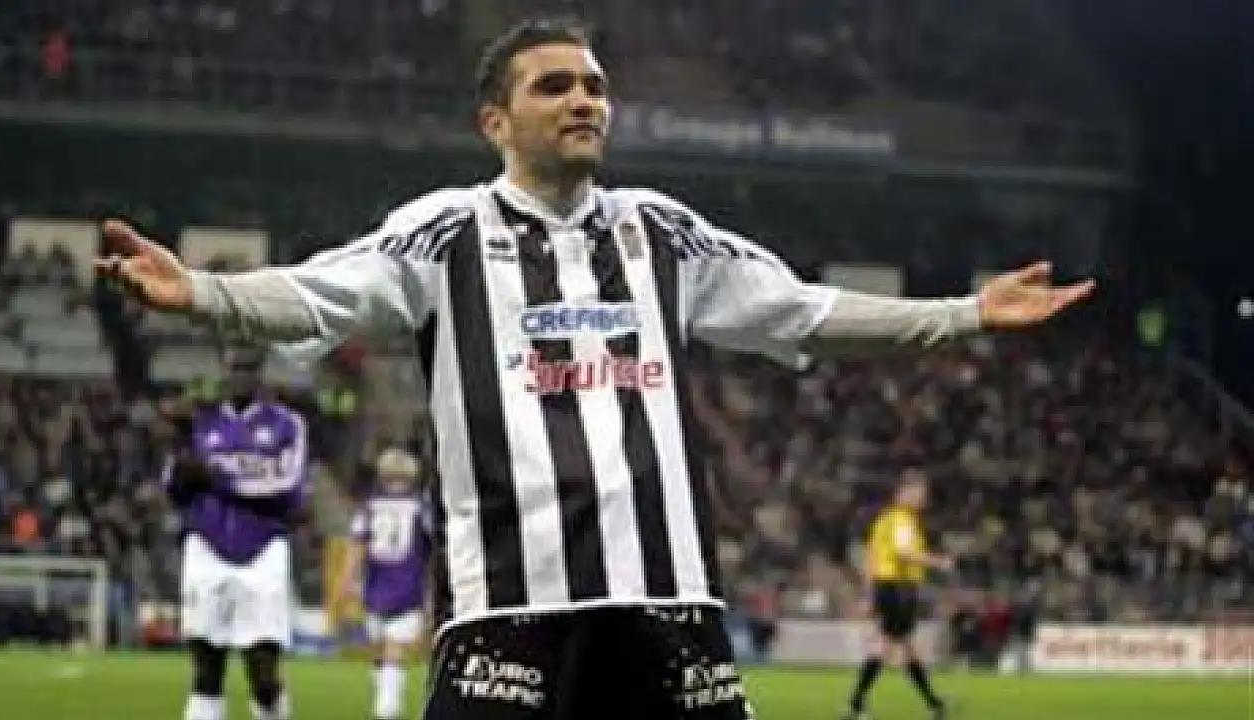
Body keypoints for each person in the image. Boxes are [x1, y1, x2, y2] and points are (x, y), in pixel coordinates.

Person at [96, 17, 1094, 719]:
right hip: (509, 613)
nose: (584, 99)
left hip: (667, 607)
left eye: (595, 86)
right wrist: (206, 294)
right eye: (555, 85)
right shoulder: (444, 233)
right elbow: (322, 294)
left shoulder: (662, 232)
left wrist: (962, 314)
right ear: (495, 121)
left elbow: (803, 312)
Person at [163, 346, 308, 720]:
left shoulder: (287, 424)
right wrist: (179, 450)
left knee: (263, 672)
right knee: (206, 668)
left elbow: (288, 488)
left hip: (263, 549)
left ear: (261, 373)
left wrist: (216, 478)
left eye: (248, 367)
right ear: (223, 370)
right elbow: (173, 488)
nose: (241, 375)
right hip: (206, 547)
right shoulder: (201, 422)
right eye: (234, 367)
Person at [844, 471, 954, 720]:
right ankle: (856, 704)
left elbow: (871, 559)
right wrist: (939, 562)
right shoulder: (902, 519)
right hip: (898, 587)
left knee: (902, 645)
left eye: (923, 494)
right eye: (918, 493)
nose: (922, 499)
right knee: (887, 644)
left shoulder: (885, 520)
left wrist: (869, 593)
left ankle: (935, 704)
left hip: (888, 586)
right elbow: (905, 553)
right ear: (903, 492)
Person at [332, 448, 433, 720]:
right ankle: (387, 700)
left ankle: (386, 708)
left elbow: (356, 548)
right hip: (409, 586)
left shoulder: (369, 506)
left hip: (376, 589)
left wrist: (345, 584)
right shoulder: (422, 507)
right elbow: (435, 550)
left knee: (388, 649)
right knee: (385, 650)